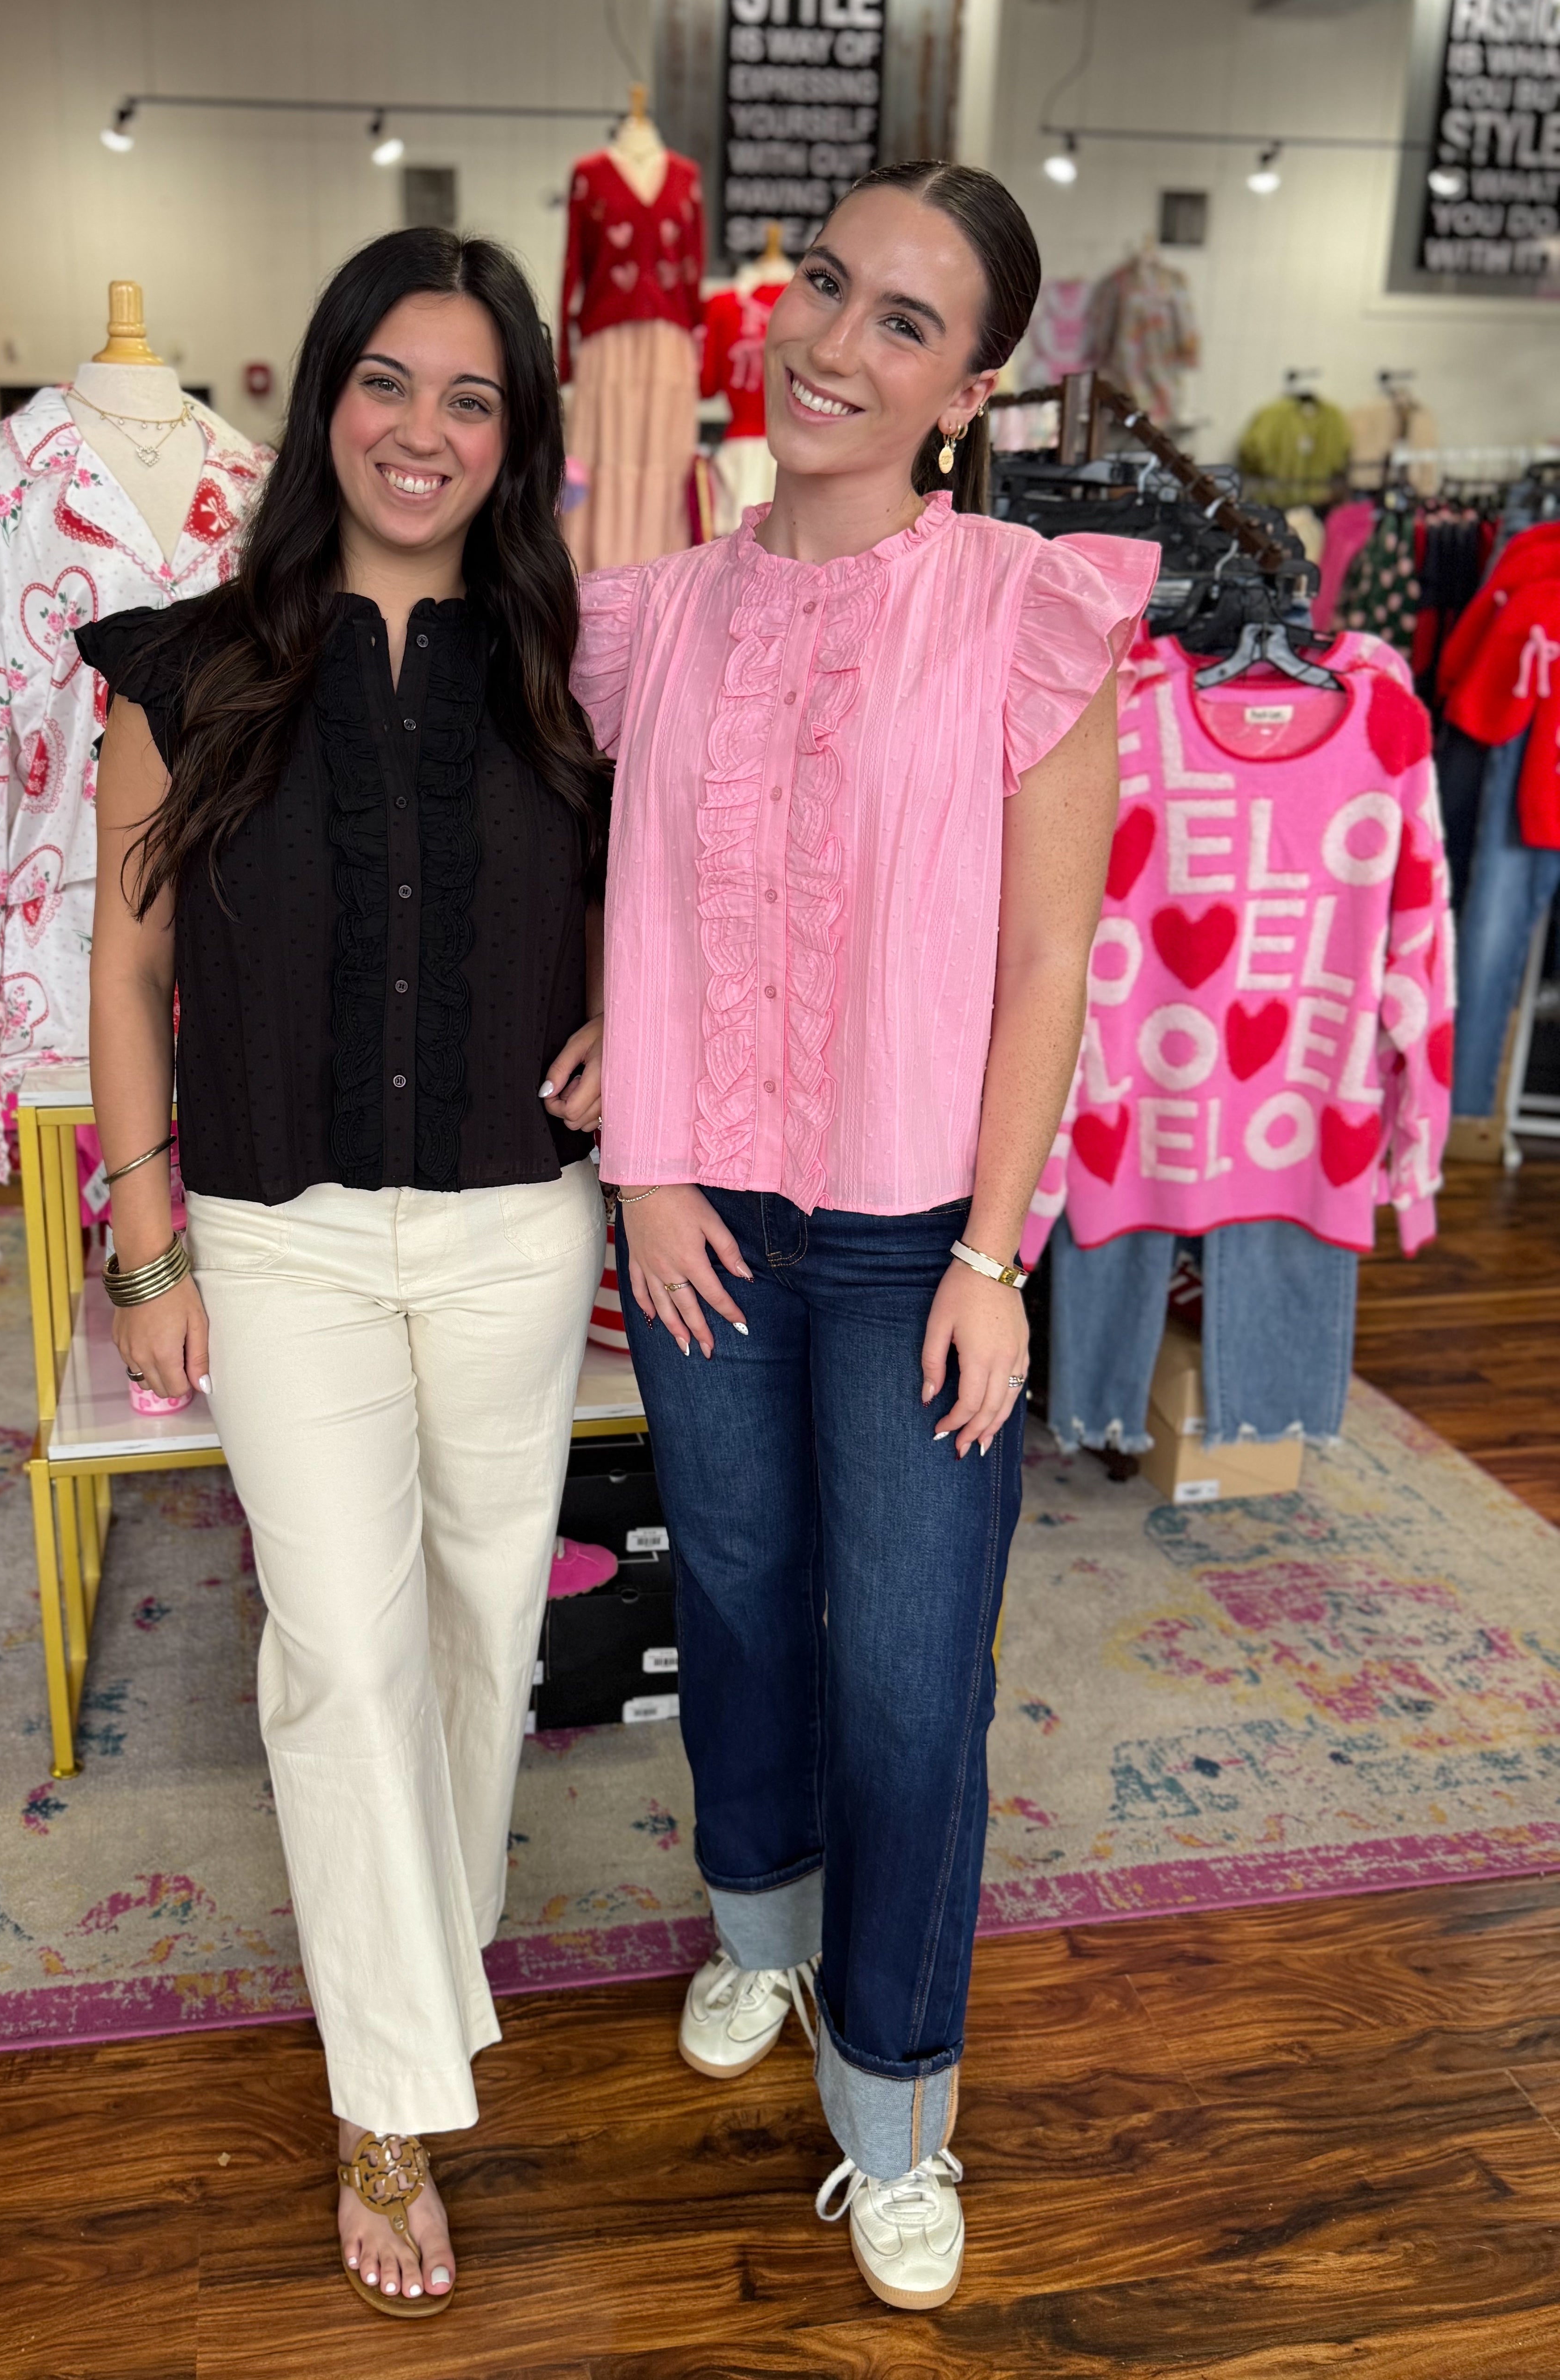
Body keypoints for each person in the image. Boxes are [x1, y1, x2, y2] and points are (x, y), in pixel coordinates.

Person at [574, 162, 1156, 2312]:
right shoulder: (649, 609)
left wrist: (996, 1257)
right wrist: (643, 1154)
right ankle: (755, 1918)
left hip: (921, 1233)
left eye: (903, 321)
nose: (831, 341)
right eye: (824, 284)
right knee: (733, 1597)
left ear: (968, 389)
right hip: (698, 1210)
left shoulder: (1025, 605)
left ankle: (897, 2098)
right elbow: (626, 889)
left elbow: (1046, 959)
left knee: (911, 1675)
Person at [79, 226, 611, 2320]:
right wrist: (143, 1239)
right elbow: (124, 966)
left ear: (515, 437)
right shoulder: (188, 667)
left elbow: (662, 911)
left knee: (484, 1631)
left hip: (510, 1227)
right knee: (341, 1652)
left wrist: (640, 1027)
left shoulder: (576, 670)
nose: (422, 429)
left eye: (471, 397)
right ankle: (386, 2102)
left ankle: (418, 1960)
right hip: (277, 1233)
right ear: (324, 399)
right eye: (388, 380)